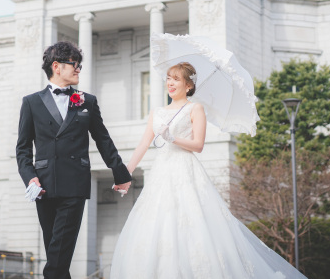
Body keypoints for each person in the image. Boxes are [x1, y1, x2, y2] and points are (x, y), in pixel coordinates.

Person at [110, 62, 308, 279]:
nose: (170, 83)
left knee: (193, 223)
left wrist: (172, 138)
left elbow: (199, 145)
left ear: (188, 85)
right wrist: (124, 175)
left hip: (185, 170)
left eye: (175, 79)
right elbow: (142, 145)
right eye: (168, 78)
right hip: (161, 171)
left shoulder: (195, 109)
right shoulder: (156, 112)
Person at [16, 41, 132, 279]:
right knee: (57, 254)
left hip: (74, 186)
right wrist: (30, 179)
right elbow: (23, 149)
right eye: (75, 64)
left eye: (80, 65)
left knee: (58, 255)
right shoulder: (31, 102)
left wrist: (120, 173)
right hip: (43, 187)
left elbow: (103, 140)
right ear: (56, 66)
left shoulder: (86, 101)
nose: (79, 69)